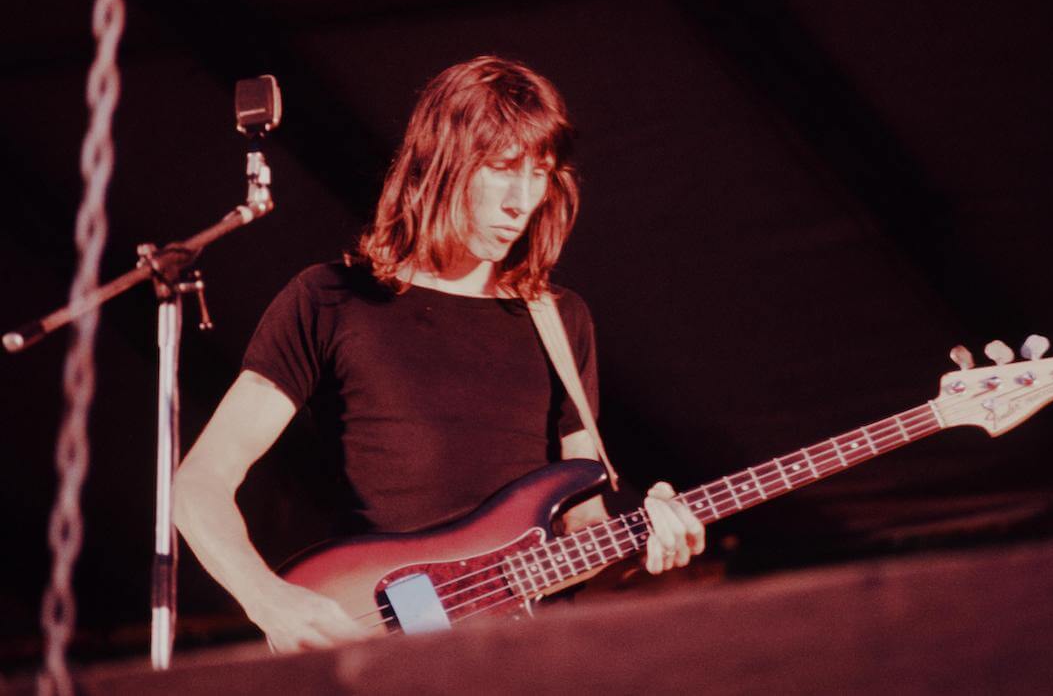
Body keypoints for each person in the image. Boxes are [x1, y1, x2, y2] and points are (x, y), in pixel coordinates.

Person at [173, 56, 704, 653]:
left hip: (525, 660)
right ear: (439, 162)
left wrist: (643, 540)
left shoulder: (560, 317)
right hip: (382, 644)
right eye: (503, 169)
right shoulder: (330, 300)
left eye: (542, 174)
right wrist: (271, 600)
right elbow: (198, 484)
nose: (522, 200)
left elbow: (582, 527)